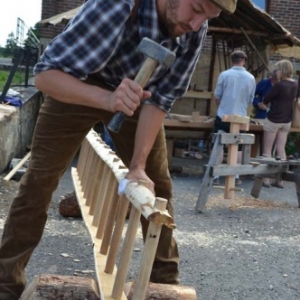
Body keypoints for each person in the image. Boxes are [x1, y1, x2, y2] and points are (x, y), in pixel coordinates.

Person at [0, 0, 238, 298]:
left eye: (208, 17)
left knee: (158, 187)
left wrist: (137, 166)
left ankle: (163, 284)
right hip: (76, 84)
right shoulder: (116, 5)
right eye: (197, 8)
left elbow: (160, 100)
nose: (196, 24)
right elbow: (45, 76)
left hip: (137, 95)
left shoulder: (194, 28)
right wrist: (108, 99)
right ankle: (5, 284)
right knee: (38, 182)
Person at [212, 50, 256, 186]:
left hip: (223, 115)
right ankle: (236, 176)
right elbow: (250, 99)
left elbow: (217, 96)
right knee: (238, 147)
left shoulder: (224, 75)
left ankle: (215, 176)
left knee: (218, 145)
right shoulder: (251, 78)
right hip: (240, 117)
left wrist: (224, 105)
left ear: (231, 60)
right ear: (244, 59)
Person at [261, 60, 299, 188]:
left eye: (277, 70)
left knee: (267, 150)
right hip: (287, 121)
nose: (275, 72)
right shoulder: (295, 84)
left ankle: (266, 179)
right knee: (281, 150)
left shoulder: (279, 85)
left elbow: (266, 100)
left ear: (281, 70)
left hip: (273, 119)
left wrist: (262, 104)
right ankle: (280, 180)